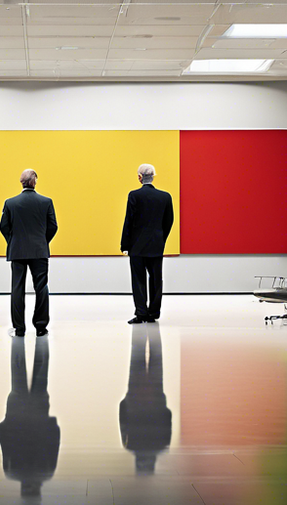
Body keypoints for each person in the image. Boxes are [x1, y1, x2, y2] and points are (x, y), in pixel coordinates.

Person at [0, 336, 59, 499]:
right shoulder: (11, 472)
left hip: (39, 414)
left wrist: (50, 424)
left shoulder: (46, 472)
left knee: (41, 368)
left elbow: (55, 438)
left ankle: (40, 336)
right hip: (16, 412)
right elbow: (2, 433)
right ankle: (21, 338)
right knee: (18, 367)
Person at [0, 169, 58, 337]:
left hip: (17, 251)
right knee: (41, 287)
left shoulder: (10, 203)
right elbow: (53, 226)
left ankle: (19, 328)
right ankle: (41, 327)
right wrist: (42, 241)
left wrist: (13, 241)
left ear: (21, 182)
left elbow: (3, 227)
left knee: (17, 288)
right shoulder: (46, 202)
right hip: (39, 250)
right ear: (35, 182)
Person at [120, 163, 173, 324]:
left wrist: (125, 245)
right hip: (156, 245)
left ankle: (141, 313)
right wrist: (161, 238)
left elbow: (129, 221)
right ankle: (154, 312)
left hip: (137, 246)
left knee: (138, 280)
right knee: (156, 279)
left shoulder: (134, 195)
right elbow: (168, 221)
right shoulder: (165, 197)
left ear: (139, 177)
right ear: (153, 177)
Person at [119, 324, 171, 475]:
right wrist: (127, 401)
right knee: (137, 355)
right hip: (135, 397)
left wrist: (161, 402)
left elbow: (167, 417)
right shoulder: (130, 445)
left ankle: (149, 325)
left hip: (154, 397)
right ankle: (141, 327)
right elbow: (123, 417)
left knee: (156, 356)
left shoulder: (162, 446)